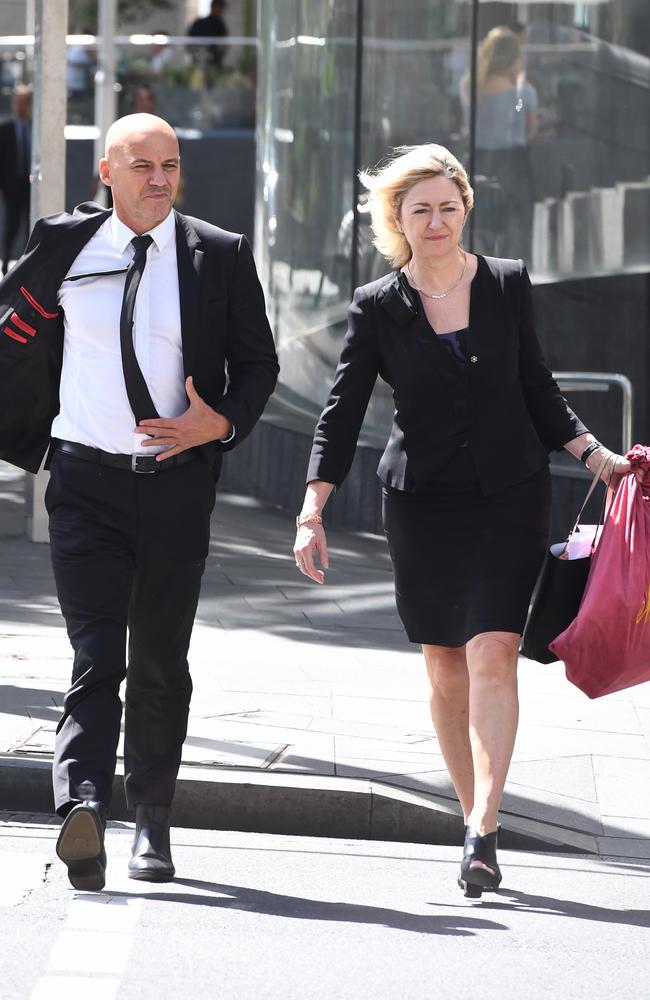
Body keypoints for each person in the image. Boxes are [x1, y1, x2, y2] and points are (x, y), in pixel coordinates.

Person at [293, 144, 635, 897]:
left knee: (493, 650)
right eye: (422, 209)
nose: (438, 220)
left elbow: (537, 388)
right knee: (444, 663)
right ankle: (469, 813)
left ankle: (484, 827)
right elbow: (341, 414)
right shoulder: (378, 305)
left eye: (449, 206)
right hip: (422, 504)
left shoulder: (508, 284)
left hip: (511, 494)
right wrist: (312, 509)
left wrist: (597, 457)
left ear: (466, 207)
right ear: (398, 220)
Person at [0, 113, 278, 890]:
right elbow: (12, 331)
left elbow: (260, 365)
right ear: (108, 175)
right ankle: (81, 806)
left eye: (172, 163)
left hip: (175, 488)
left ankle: (152, 819)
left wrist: (217, 423)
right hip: (84, 482)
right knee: (98, 656)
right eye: (143, 164)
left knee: (160, 662)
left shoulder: (217, 255)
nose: (160, 177)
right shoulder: (64, 245)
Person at [467, 26, 538, 260]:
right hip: (513, 162)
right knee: (516, 222)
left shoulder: (471, 88)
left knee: (480, 221)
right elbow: (530, 130)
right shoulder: (523, 93)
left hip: (479, 160)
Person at [0, 84, 32, 276]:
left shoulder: (35, 127)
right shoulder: (5, 129)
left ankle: (28, 262)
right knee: (11, 224)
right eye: (17, 102)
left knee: (31, 223)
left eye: (24, 102)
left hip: (31, 184)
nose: (20, 106)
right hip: (12, 185)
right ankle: (5, 263)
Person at [187, 0, 229, 69]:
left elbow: (223, 42)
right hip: (200, 57)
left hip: (214, 59)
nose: (221, 11)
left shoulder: (219, 23)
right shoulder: (200, 22)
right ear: (213, 7)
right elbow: (190, 41)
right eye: (219, 8)